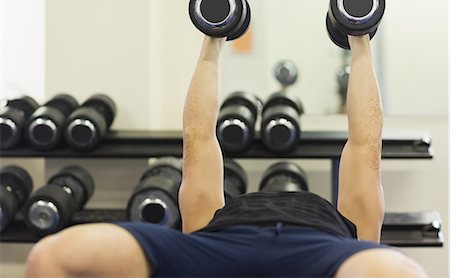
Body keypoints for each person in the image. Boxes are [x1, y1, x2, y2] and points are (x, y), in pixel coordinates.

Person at [25, 34, 427, 277]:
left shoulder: (202, 222)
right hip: (225, 249)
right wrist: (359, 39)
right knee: (54, 258)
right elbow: (365, 142)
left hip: (268, 254)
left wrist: (213, 39)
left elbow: (199, 138)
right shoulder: (354, 228)